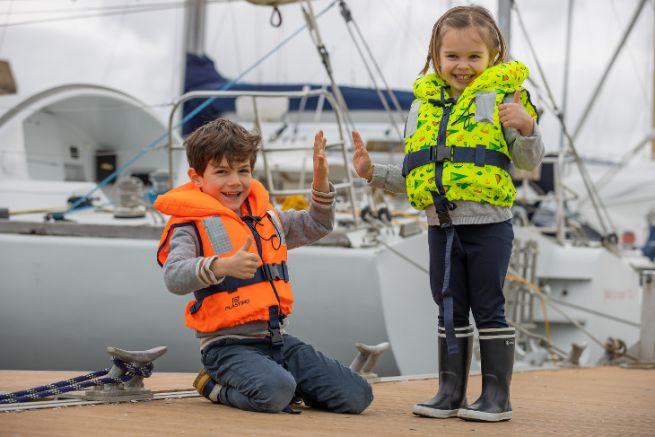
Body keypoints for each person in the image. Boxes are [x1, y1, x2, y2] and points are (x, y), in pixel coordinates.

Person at [352, 5, 544, 423]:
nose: (463, 66)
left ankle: (496, 396)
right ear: (436, 58)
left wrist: (528, 128)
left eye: (474, 57)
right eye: (452, 57)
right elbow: (416, 175)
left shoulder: (509, 99)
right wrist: (373, 174)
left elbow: (528, 162)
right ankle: (450, 391)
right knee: (448, 307)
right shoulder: (422, 107)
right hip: (440, 225)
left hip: (488, 226)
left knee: (488, 306)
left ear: (494, 56)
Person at [155, 118, 373, 414]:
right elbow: (174, 277)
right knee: (275, 391)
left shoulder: (266, 217)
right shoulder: (190, 227)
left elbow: (316, 225)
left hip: (278, 340)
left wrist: (321, 186)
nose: (235, 182)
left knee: (357, 395)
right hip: (226, 348)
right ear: (197, 178)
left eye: (243, 171)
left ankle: (287, 383)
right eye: (222, 172)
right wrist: (222, 266)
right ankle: (211, 385)